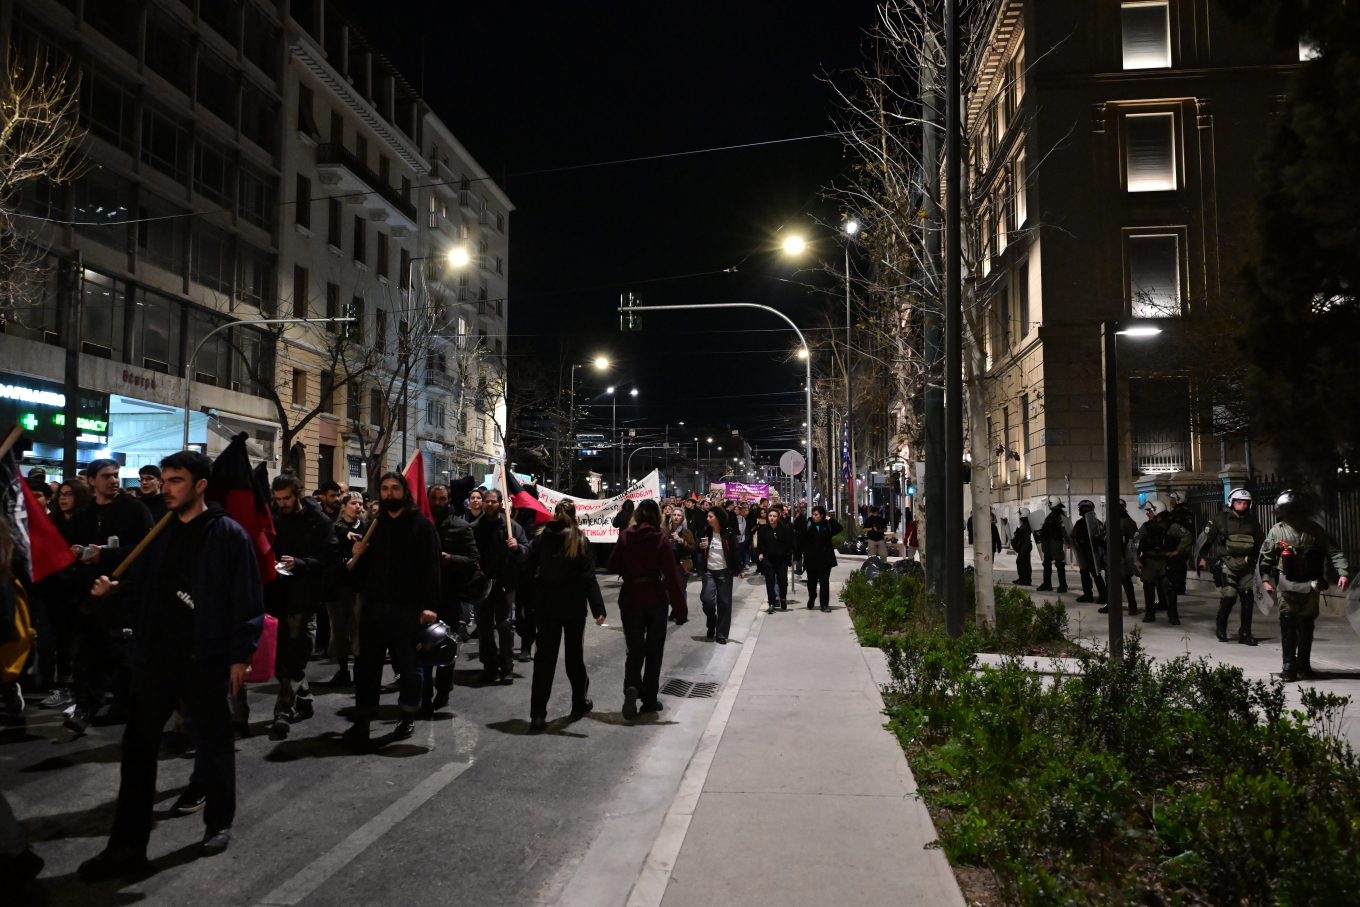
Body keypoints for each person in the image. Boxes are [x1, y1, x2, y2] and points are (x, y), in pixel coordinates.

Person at [78, 451, 264, 879]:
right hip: (155, 657)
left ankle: (218, 822)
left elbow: (247, 600)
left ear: (200, 485)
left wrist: (240, 655)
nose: (166, 488)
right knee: (138, 750)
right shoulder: (159, 530)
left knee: (214, 743)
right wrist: (115, 589)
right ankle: (126, 847)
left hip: (204, 657)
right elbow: (144, 584)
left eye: (176, 480)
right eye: (164, 480)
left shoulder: (227, 535)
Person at [344, 472, 441, 748]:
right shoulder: (375, 525)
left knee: (410, 668)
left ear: (405, 492)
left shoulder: (421, 526)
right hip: (375, 607)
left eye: (394, 488)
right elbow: (360, 575)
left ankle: (407, 715)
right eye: (384, 489)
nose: (389, 493)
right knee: (367, 667)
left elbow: (431, 569)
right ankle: (363, 721)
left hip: (408, 609)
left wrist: (431, 606)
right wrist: (358, 554)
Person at [65, 459, 156, 735]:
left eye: (116, 475)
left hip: (124, 596)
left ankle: (121, 706)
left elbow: (145, 551)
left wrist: (109, 558)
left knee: (121, 654)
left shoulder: (134, 510)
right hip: (91, 596)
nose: (114, 481)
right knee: (87, 654)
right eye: (107, 476)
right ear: (92, 481)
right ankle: (86, 707)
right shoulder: (84, 515)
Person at [257, 474, 336, 739]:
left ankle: (282, 711)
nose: (282, 503)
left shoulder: (318, 522)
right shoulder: (275, 519)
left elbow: (327, 557)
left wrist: (300, 563)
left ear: (298, 493)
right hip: (277, 597)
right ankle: (304, 698)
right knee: (279, 658)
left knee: (295, 655)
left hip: (305, 598)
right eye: (278, 499)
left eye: (287, 498)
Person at [527, 502, 606, 730]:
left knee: (544, 661)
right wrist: (598, 608)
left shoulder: (541, 538)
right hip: (573, 608)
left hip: (546, 607)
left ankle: (538, 714)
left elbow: (528, 571)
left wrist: (528, 602)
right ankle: (578, 702)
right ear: (574, 516)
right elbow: (588, 578)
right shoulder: (579, 540)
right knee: (574, 658)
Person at [1259, 490, 1350, 681]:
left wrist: (1343, 572)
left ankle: (1304, 664)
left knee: (1307, 625)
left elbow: (1333, 551)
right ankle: (1288, 666)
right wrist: (1265, 580)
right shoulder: (1278, 530)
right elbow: (1266, 557)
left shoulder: (1315, 530)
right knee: (1288, 623)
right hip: (1288, 585)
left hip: (1312, 585)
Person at [610, 500, 686, 718]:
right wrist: (680, 610)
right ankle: (650, 699)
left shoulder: (625, 536)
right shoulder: (660, 538)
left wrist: (629, 568)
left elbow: (612, 564)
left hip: (631, 596)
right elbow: (672, 575)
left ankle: (632, 686)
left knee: (634, 649)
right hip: (655, 597)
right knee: (654, 651)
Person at [471, 489, 528, 684]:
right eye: (486, 501)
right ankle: (489, 667)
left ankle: (506, 667)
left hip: (506, 584)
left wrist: (517, 547)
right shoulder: (474, 528)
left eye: (493, 502)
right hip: (483, 585)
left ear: (501, 504)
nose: (489, 504)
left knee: (505, 626)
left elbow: (525, 553)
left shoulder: (512, 527)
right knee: (485, 628)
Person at [1196, 488, 1265, 645]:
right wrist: (1202, 558)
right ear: (1231, 502)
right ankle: (1221, 627)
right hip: (1227, 563)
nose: (1242, 506)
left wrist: (1263, 564)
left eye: (1245, 503)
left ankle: (1245, 633)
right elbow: (1205, 540)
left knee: (1247, 597)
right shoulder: (1220, 520)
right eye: (1239, 502)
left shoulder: (1253, 522)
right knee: (1229, 597)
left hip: (1247, 565)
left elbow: (1261, 545)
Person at [428, 500, 479, 712]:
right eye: (434, 498)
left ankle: (442, 690)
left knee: (445, 644)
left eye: (442, 498)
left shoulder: (461, 526)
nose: (437, 502)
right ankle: (421, 693)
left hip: (449, 595)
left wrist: (451, 559)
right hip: (422, 595)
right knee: (421, 646)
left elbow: (473, 560)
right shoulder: (422, 524)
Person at [326, 491, 367, 686]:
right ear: (343, 506)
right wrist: (345, 561)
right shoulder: (334, 528)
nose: (357, 507)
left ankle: (359, 668)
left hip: (359, 586)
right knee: (340, 629)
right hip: (338, 586)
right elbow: (329, 555)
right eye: (353, 503)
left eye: (360, 503)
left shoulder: (367, 528)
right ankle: (343, 670)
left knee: (358, 627)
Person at [1136, 499, 1190, 624]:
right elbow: (1135, 543)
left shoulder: (1172, 526)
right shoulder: (1145, 526)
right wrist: (1137, 559)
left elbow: (1187, 536)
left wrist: (1177, 551)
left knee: (1170, 589)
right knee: (1148, 587)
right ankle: (1149, 614)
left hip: (1166, 562)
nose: (1147, 513)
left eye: (1149, 511)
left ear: (1157, 511)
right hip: (1149, 562)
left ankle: (1173, 615)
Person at [698, 507, 744, 640]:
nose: (708, 519)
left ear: (718, 518)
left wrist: (740, 569)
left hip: (725, 572)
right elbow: (697, 545)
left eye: (710, 516)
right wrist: (699, 546)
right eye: (707, 516)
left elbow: (736, 551)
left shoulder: (728, 532)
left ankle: (721, 634)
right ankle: (711, 622)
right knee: (707, 599)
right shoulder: (706, 532)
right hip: (709, 572)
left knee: (724, 603)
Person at [1099, 501, 1140, 616]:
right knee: (1110, 582)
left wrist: (1133, 557)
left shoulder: (1128, 522)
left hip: (1122, 556)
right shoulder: (1109, 521)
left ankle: (1133, 606)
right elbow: (1104, 536)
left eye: (1119, 507)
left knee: (1126, 581)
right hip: (1110, 556)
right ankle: (1111, 604)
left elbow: (1134, 540)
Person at [800, 505, 842, 612]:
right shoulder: (808, 524)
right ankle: (812, 597)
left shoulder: (827, 525)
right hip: (811, 558)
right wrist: (797, 556)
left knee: (824, 581)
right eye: (813, 514)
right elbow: (801, 540)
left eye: (816, 515)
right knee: (811, 582)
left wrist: (830, 519)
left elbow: (839, 528)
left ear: (822, 515)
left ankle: (824, 604)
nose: (814, 517)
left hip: (825, 558)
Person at [755, 506, 795, 611]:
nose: (772, 518)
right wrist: (761, 553)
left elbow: (789, 544)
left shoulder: (784, 529)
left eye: (774, 516)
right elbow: (760, 544)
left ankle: (782, 597)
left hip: (781, 560)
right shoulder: (763, 530)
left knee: (782, 580)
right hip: (768, 559)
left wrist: (786, 553)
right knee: (770, 581)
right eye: (770, 516)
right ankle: (771, 603)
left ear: (778, 517)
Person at [1071, 500, 1108, 604]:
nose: (1086, 510)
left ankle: (1103, 595)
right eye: (1084, 508)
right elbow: (1073, 535)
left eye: (1087, 508)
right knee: (1084, 573)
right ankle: (1087, 594)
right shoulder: (1079, 523)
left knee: (1096, 574)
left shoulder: (1097, 522)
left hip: (1094, 552)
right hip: (1083, 552)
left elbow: (1101, 536)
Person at [1034, 501, 1069, 593]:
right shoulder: (1052, 515)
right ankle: (1047, 584)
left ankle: (1062, 585)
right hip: (1048, 542)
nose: (1049, 506)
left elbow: (1064, 528)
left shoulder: (1059, 515)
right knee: (1046, 563)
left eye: (1050, 504)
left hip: (1055, 541)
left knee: (1059, 563)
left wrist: (1068, 541)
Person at [666, 507, 696, 609]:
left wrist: (681, 540)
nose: (676, 517)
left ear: (682, 518)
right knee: (668, 591)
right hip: (668, 565)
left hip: (681, 565)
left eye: (679, 515)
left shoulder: (686, 532)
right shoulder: (666, 530)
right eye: (674, 515)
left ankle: (681, 613)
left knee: (680, 590)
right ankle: (675, 610)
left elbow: (692, 548)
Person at [1165, 492, 1195, 594]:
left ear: (1178, 501)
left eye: (1173, 499)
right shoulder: (1172, 513)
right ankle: (1174, 585)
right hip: (1172, 544)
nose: (1171, 502)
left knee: (1180, 566)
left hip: (1181, 544)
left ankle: (1181, 587)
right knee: (1172, 566)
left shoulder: (1186, 514)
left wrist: (1189, 545)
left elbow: (1190, 530)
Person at [1011, 507, 1033, 586]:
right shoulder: (1025, 525)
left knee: (1023, 563)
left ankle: (1024, 579)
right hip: (1024, 547)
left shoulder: (1026, 526)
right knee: (1024, 563)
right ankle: (1023, 579)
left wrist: (1023, 548)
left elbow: (1025, 538)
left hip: (1024, 547)